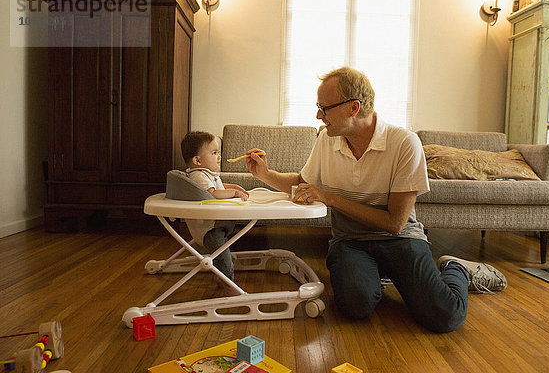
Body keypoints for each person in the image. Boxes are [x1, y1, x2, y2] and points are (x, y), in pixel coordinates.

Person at [244, 67, 507, 332]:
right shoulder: (327, 140)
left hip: (401, 239)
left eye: (324, 108)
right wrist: (265, 174)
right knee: (354, 306)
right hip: (350, 242)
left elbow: (395, 222)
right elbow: (303, 182)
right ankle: (378, 276)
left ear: (353, 107)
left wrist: (332, 198)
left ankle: (455, 268)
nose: (318, 115)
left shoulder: (404, 143)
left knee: (445, 316)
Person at [181, 131, 249, 282]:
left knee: (221, 253)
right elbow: (212, 193)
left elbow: (218, 186)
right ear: (197, 161)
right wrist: (234, 193)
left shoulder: (206, 174)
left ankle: (221, 274)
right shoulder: (198, 175)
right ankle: (227, 285)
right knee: (223, 259)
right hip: (211, 229)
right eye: (214, 153)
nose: (219, 156)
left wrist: (233, 186)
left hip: (217, 225)